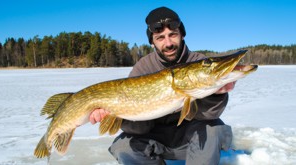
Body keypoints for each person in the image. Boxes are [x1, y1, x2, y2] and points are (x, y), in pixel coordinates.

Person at [89, 7, 235, 165]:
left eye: (173, 35)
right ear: (152, 42)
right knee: (123, 146)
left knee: (213, 130)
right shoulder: (143, 68)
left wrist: (217, 94)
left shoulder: (199, 61)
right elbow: (139, 128)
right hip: (157, 138)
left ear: (182, 34)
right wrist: (117, 114)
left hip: (191, 137)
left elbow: (210, 115)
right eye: (160, 38)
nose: (168, 43)